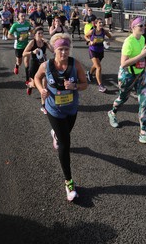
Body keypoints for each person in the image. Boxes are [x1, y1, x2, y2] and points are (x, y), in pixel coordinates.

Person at [34, 33, 87, 201]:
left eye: (66, 49)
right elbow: (37, 77)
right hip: (54, 109)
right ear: (54, 50)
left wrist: (75, 86)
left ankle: (55, 133)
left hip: (71, 109)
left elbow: (85, 84)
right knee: (65, 143)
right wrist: (40, 89)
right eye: (60, 49)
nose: (63, 53)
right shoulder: (46, 66)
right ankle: (68, 182)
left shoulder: (75, 64)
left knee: (65, 134)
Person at [107, 16, 146, 147]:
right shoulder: (128, 42)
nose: (143, 27)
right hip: (127, 75)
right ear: (133, 28)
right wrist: (142, 55)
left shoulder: (142, 38)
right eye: (140, 26)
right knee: (123, 98)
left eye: (144, 25)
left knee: (145, 102)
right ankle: (112, 113)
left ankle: (143, 133)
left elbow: (141, 57)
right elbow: (123, 63)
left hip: (140, 74)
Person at [22, 26, 54, 107]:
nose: (41, 35)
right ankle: (29, 85)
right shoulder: (32, 42)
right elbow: (24, 53)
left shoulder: (44, 42)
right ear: (35, 34)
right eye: (39, 33)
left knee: (44, 84)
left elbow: (53, 51)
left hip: (42, 65)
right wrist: (32, 52)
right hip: (34, 64)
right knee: (35, 85)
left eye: (42, 33)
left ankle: (43, 105)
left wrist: (48, 42)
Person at [84, 18, 112, 92]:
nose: (101, 24)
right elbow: (86, 36)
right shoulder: (92, 31)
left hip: (100, 50)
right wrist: (90, 41)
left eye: (102, 22)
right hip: (92, 50)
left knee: (96, 65)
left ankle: (89, 73)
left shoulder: (104, 31)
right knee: (99, 67)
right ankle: (100, 86)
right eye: (100, 22)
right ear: (96, 24)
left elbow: (110, 37)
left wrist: (108, 42)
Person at [8, 12, 32, 89]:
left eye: (24, 16)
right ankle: (17, 66)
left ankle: (27, 80)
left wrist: (30, 33)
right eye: (22, 16)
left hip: (26, 46)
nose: (23, 17)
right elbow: (9, 35)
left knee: (27, 63)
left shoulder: (27, 24)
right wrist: (17, 38)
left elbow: (31, 31)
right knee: (19, 62)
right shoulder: (15, 25)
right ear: (18, 17)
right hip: (18, 46)